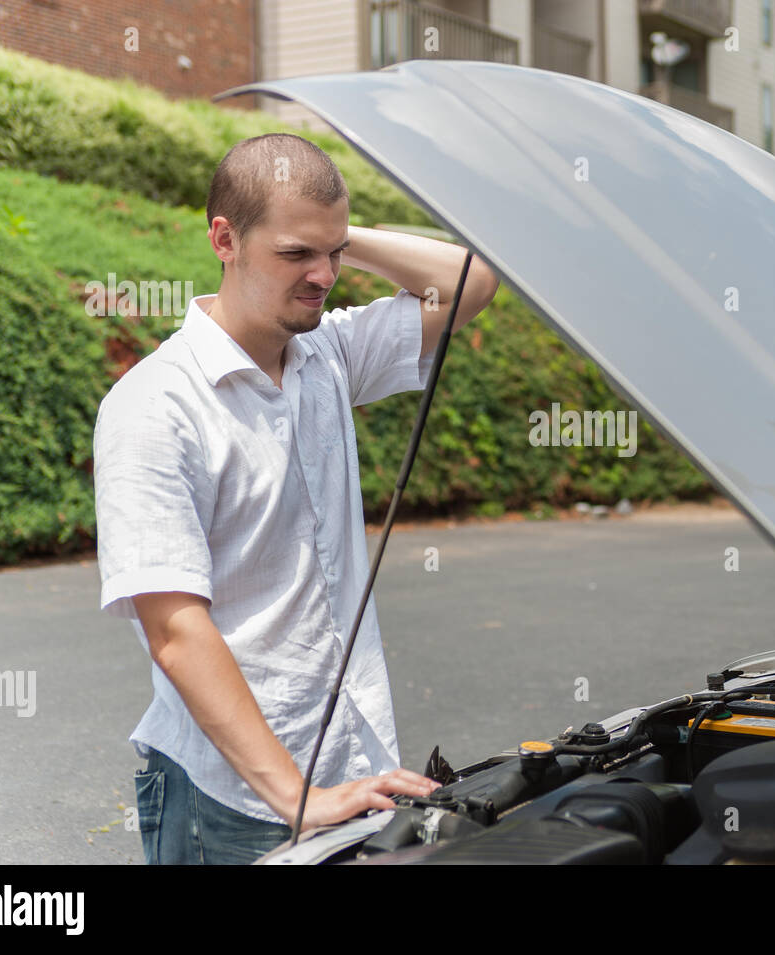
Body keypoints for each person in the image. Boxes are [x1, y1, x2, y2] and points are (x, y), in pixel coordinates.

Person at [92, 133, 499, 864]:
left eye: (333, 254)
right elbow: (176, 629)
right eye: (294, 254)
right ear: (225, 238)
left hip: (352, 761)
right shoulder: (153, 406)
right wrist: (295, 796)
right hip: (236, 798)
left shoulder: (328, 353)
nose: (324, 276)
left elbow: (472, 282)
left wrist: (328, 232)